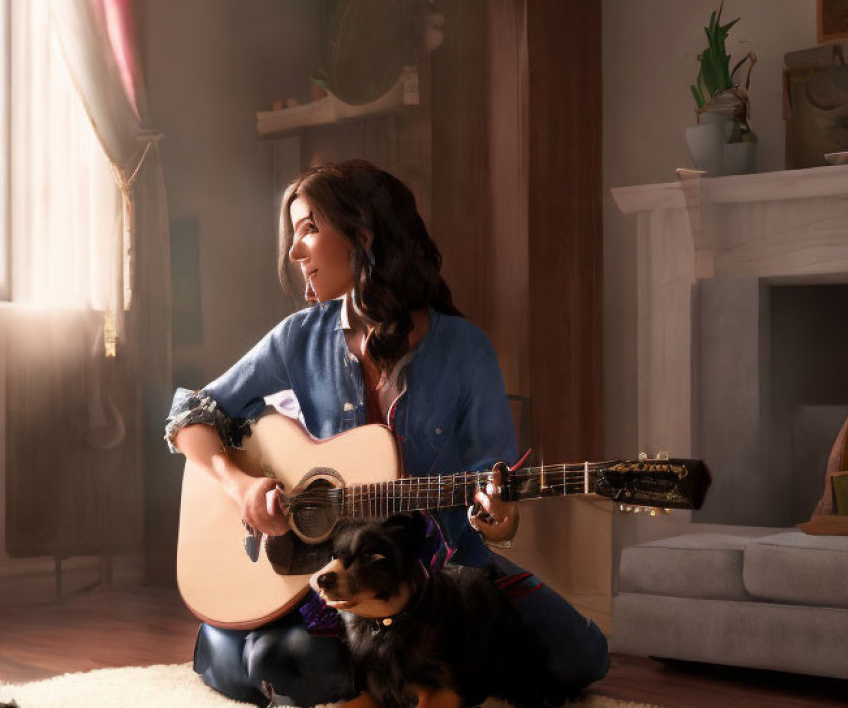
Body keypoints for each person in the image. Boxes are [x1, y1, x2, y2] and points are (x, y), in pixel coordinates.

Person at [164, 159, 609, 707]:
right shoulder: (299, 338)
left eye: (309, 229)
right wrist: (240, 487)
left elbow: (493, 479)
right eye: (294, 233)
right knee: (287, 664)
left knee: (581, 658)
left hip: (445, 577)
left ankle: (394, 663)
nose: (294, 251)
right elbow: (190, 413)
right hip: (338, 575)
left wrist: (500, 517)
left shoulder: (464, 349)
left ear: (363, 235)